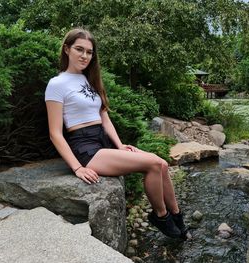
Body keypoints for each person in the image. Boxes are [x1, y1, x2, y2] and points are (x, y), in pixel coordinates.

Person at [45, 28, 187, 239]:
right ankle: (160, 216)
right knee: (154, 164)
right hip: (85, 148)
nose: (85, 56)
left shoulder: (89, 80)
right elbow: (55, 133)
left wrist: (119, 145)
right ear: (67, 49)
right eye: (79, 49)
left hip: (102, 142)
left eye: (89, 52)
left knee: (163, 164)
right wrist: (77, 167)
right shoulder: (56, 84)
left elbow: (104, 116)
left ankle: (176, 217)